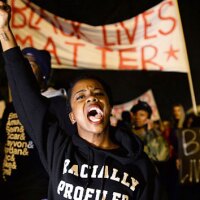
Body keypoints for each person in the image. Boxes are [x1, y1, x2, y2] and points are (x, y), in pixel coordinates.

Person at [0, 2, 167, 199]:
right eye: (81, 97)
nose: (91, 97)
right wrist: (4, 30)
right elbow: (27, 98)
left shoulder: (139, 165)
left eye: (98, 93)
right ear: (71, 116)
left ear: (109, 108)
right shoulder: (59, 151)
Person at [0, 45, 69, 199]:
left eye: (29, 65)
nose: (22, 70)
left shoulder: (58, 106)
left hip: (39, 192)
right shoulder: (11, 107)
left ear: (43, 73)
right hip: (9, 190)